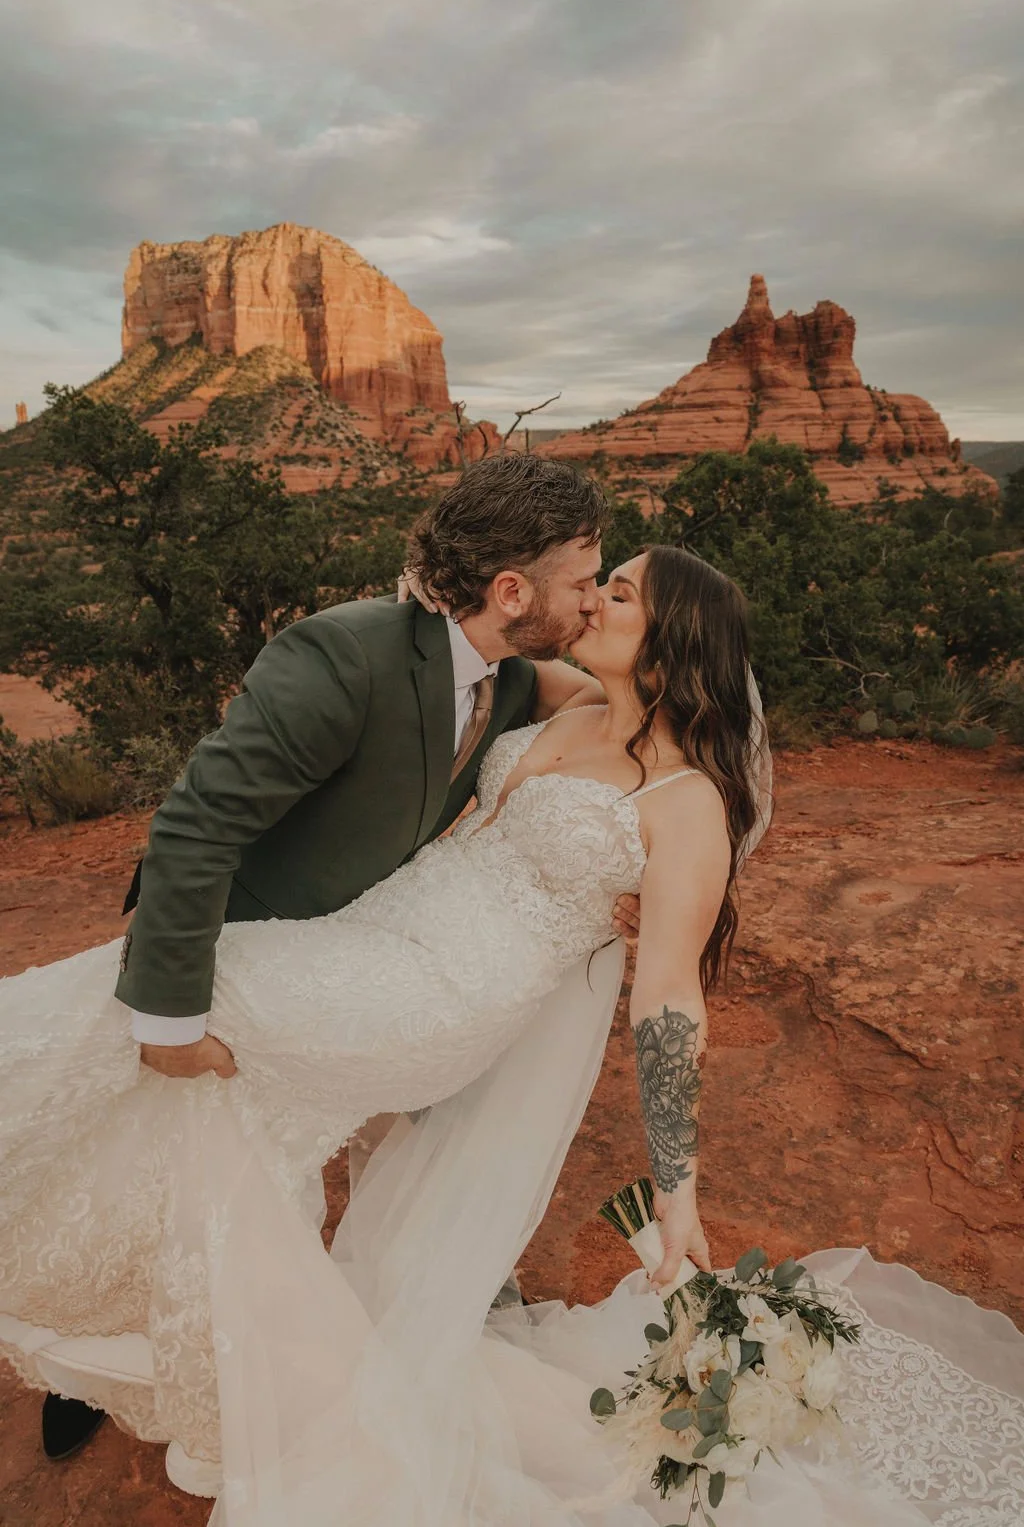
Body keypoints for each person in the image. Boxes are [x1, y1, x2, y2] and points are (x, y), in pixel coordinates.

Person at [2, 548, 1019, 1527]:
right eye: (597, 580)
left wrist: (678, 1187)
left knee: (181, 1001)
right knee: (211, 1082)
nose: (594, 602)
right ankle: (154, 1325)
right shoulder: (567, 699)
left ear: (668, 646)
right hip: (372, 933)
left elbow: (667, 994)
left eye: (616, 592)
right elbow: (460, 638)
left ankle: (115, 1301)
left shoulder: (689, 804)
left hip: (441, 991)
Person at [26, 449, 643, 1468]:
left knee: (286, 1150)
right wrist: (171, 1020)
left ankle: (420, 1282)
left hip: (363, 959)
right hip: (237, 947)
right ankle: (87, 1356)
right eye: (584, 579)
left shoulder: (511, 671)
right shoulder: (341, 656)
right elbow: (192, 829)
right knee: (156, 1151)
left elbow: (614, 708)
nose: (591, 598)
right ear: (509, 589)